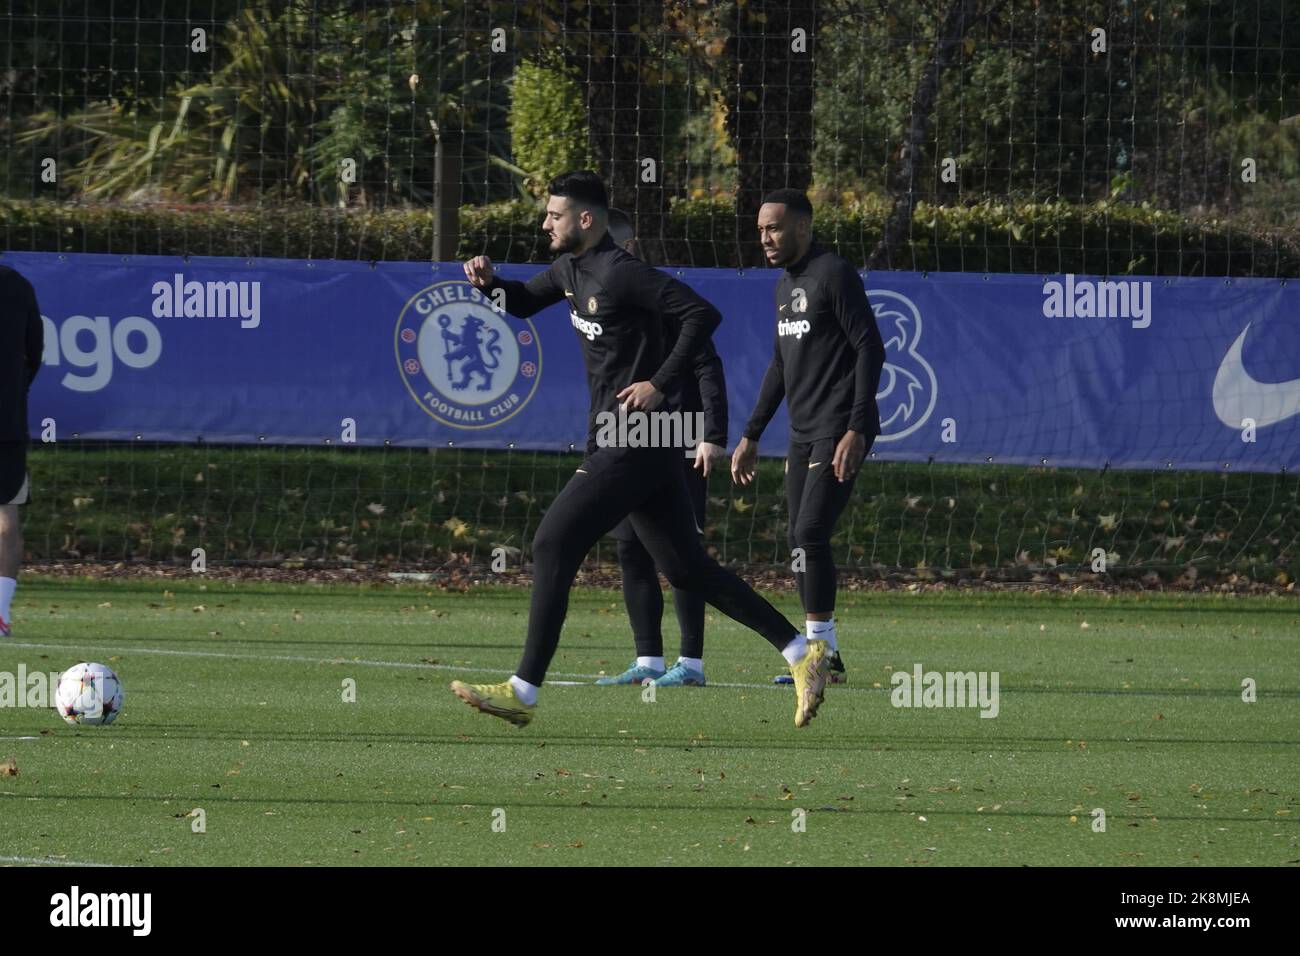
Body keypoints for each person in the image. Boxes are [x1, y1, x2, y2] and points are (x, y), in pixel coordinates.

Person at [451, 171, 831, 727]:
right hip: (634, 442)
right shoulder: (567, 270)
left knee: (552, 541)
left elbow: (703, 315)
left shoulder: (623, 273)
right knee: (687, 568)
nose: (544, 223)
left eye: (553, 215)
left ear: (585, 219)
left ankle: (523, 690)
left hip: (636, 440)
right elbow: (523, 303)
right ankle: (803, 653)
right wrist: (489, 285)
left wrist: (659, 381)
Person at [731, 189, 886, 684]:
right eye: (760, 230)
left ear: (802, 227)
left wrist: (857, 427)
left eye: (773, 227)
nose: (765, 238)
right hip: (802, 433)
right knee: (799, 542)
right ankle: (827, 658)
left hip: (839, 428)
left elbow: (870, 349)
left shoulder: (833, 274)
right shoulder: (784, 285)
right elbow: (780, 365)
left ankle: (818, 653)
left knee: (808, 534)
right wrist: (752, 433)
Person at [595, 207, 726, 688]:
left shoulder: (663, 295)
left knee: (681, 552)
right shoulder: (598, 295)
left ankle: (691, 663)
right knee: (630, 546)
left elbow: (708, 366)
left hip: (679, 436)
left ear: (627, 248)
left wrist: (713, 435)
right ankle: (648, 661)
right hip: (629, 436)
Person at [0, 265, 45, 637]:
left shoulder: (17, 285)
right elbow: (35, 353)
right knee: (5, 514)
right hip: (7, 421)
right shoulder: (17, 285)